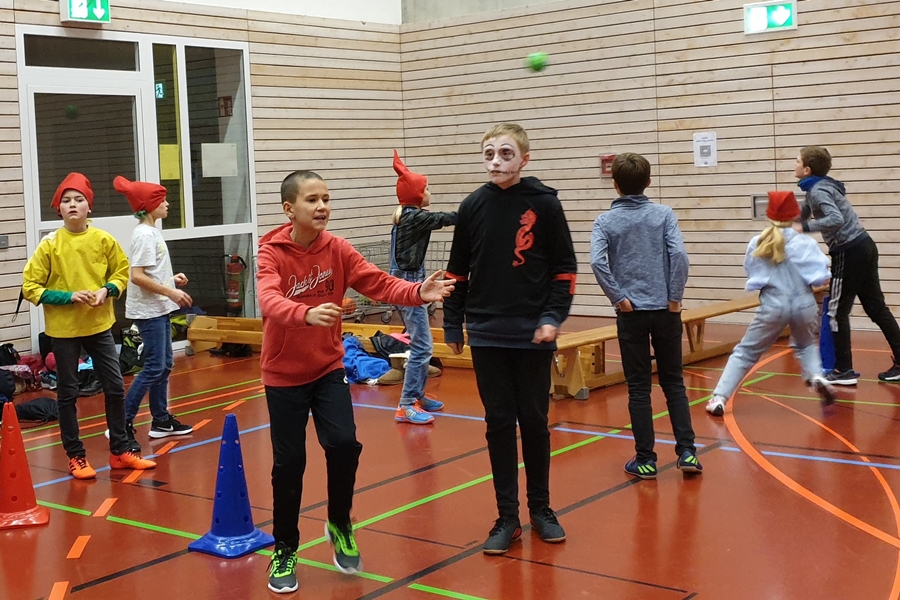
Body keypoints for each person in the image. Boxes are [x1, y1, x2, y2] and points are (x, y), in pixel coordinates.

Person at [257, 169, 454, 594]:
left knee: (344, 444)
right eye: (312, 200)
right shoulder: (271, 253)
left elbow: (377, 282)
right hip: (283, 375)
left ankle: (340, 523)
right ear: (289, 208)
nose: (322, 207)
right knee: (289, 464)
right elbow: (268, 299)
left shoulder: (338, 249)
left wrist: (416, 293)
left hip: (328, 368)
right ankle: (285, 548)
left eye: (326, 199)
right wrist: (304, 313)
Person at [443, 123, 577, 555]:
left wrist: (552, 317)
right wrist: (452, 323)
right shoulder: (472, 206)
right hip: (486, 333)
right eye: (489, 154)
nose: (496, 162)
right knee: (498, 423)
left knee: (534, 422)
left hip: (533, 334)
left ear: (524, 159)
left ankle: (542, 509)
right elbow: (457, 271)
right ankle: (506, 517)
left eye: (505, 154)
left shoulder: (545, 204)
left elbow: (564, 269)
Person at [21, 172, 157, 480]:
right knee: (68, 394)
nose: (73, 204)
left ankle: (120, 450)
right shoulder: (50, 244)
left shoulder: (103, 240)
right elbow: (30, 287)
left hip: (99, 326)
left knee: (115, 387)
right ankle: (76, 456)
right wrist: (68, 297)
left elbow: (121, 273)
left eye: (79, 199)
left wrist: (107, 290)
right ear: (59, 209)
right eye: (66, 201)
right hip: (64, 331)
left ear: (89, 207)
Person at [590, 152, 701, 481]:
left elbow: (597, 262)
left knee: (639, 388)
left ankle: (646, 460)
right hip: (665, 310)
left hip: (632, 313)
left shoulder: (605, 222)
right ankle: (688, 452)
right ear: (649, 182)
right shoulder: (663, 214)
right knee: (673, 382)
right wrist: (675, 297)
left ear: (614, 184)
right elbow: (679, 255)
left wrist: (618, 297)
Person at [706, 191, 834, 416]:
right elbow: (822, 277)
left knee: (746, 352)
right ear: (796, 214)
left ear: (769, 214)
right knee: (805, 345)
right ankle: (816, 376)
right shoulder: (805, 242)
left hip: (774, 305)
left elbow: (752, 273)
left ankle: (719, 398)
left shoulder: (758, 242)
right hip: (805, 304)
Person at [793, 145, 900, 385]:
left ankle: (843, 371)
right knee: (876, 308)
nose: (794, 165)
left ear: (807, 169)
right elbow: (803, 215)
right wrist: (789, 225)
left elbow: (835, 218)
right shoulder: (819, 187)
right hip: (864, 245)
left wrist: (804, 227)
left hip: (849, 251)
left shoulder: (818, 190)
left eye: (797, 161)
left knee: (835, 312)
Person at [114, 176, 194, 447]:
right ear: (148, 206)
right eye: (162, 200)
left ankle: (160, 420)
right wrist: (171, 292)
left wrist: (171, 280)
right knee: (154, 367)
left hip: (158, 308)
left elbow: (151, 273)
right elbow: (137, 276)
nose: (167, 204)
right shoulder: (144, 235)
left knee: (165, 365)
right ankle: (122, 422)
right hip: (149, 312)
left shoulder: (152, 232)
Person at [390, 150, 457, 424]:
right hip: (407, 283)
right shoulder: (414, 217)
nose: (429, 192)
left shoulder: (410, 215)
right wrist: (474, 211)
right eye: (426, 189)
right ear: (416, 194)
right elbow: (445, 218)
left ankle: (417, 395)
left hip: (412, 278)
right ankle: (406, 404)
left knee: (422, 343)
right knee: (422, 346)